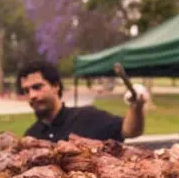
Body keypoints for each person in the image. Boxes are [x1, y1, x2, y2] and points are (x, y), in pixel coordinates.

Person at [16, 61, 147, 142]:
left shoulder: (88, 117)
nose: (32, 95)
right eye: (26, 91)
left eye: (37, 87)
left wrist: (136, 107)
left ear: (56, 86)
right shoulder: (31, 137)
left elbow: (129, 131)